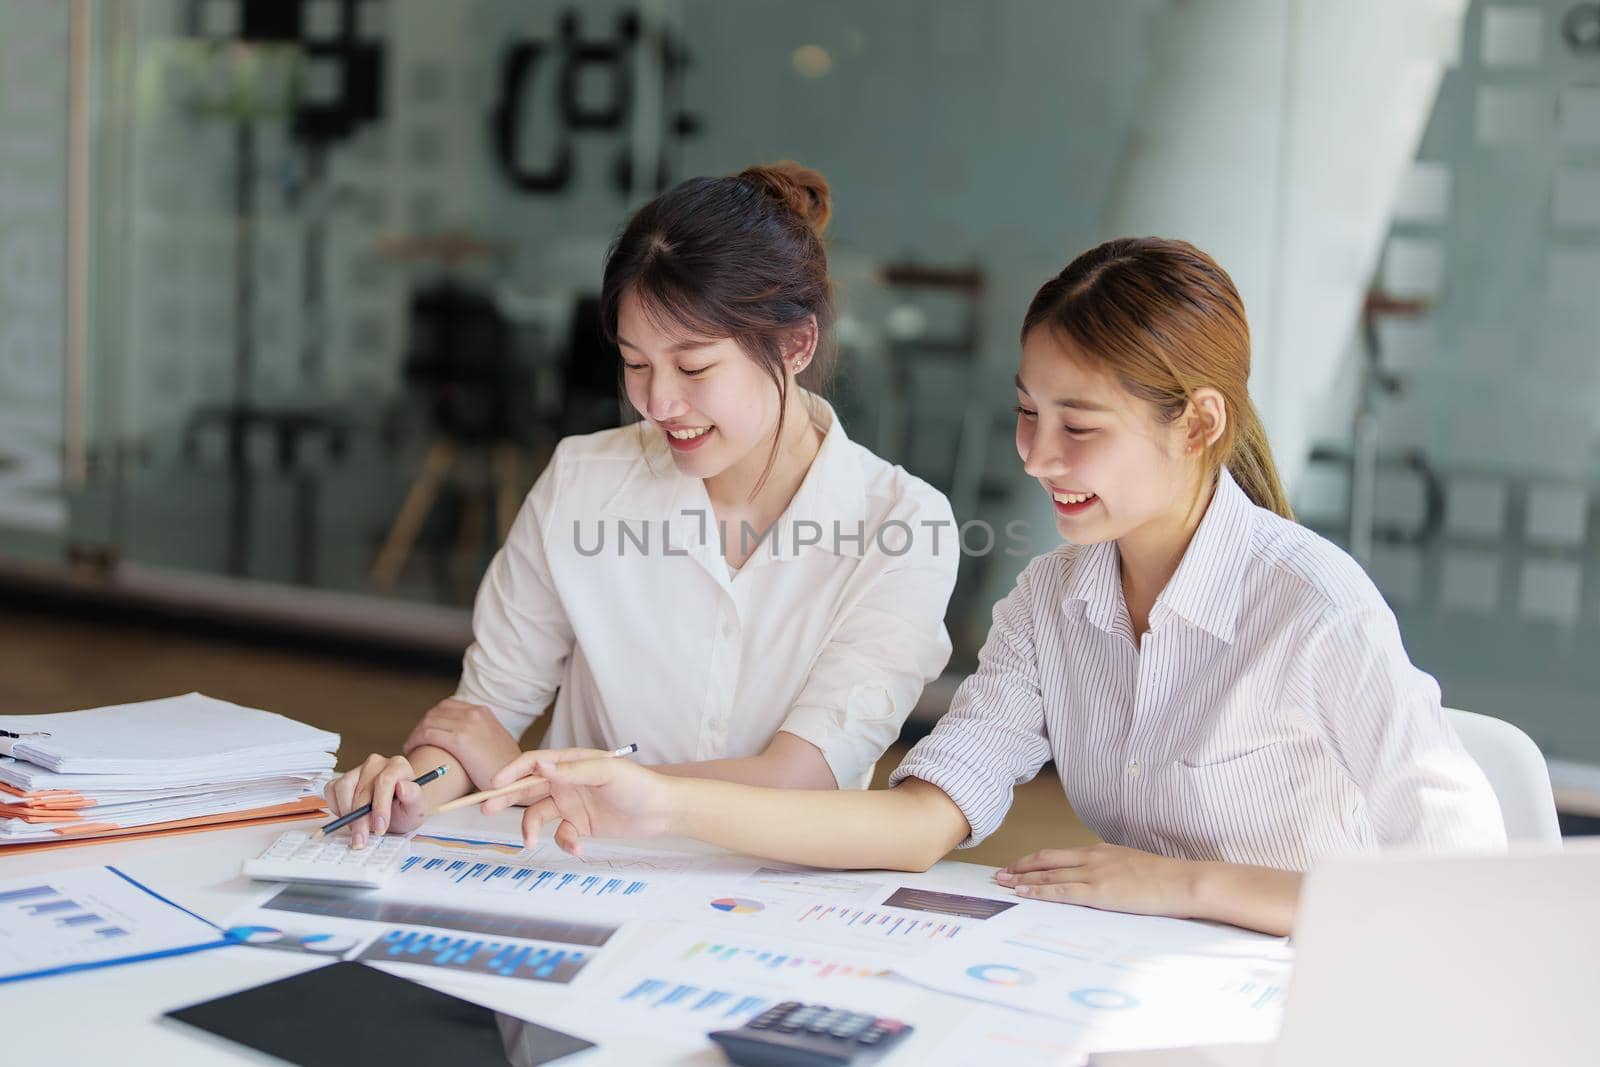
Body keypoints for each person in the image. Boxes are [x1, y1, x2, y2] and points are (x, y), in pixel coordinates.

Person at [489, 237, 1508, 937]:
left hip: (1321, 1005)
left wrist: (1186, 884)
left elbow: (1464, 887)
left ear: (1195, 424)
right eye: (1026, 413)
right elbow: (915, 820)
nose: (1037, 456)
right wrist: (660, 797)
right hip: (1144, 988)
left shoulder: (1311, 606)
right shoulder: (1052, 604)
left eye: (1078, 426)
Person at [326, 162, 959, 848]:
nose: (658, 403)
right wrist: (412, 786)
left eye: (693, 368)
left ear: (796, 344)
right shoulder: (582, 480)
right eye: (635, 363)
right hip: (579, 876)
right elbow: (480, 720)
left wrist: (524, 776)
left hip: (773, 903)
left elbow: (803, 778)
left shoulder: (902, 525)